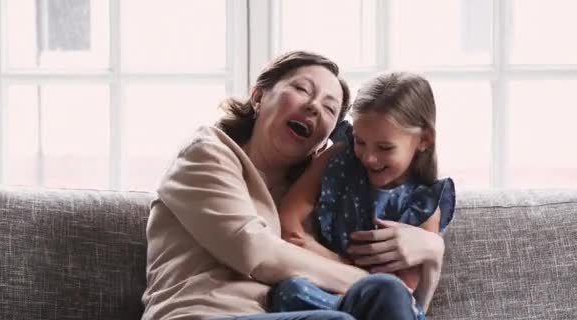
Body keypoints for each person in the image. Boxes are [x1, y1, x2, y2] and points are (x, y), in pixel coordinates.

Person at [141, 51, 445, 320]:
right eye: (301, 89)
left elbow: (405, 300)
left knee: (384, 293)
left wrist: (433, 253)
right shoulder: (207, 152)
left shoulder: (316, 194)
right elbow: (256, 252)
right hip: (201, 313)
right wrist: (363, 278)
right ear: (258, 96)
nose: (314, 106)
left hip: (286, 313)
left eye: (329, 109)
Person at [271, 71, 456, 319]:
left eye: (384, 147)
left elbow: (402, 290)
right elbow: (289, 226)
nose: (368, 157)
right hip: (321, 292)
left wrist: (317, 253)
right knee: (290, 289)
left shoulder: (423, 202)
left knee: (389, 293)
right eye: (360, 141)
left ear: (424, 139)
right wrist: (342, 266)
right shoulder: (338, 159)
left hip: (382, 307)